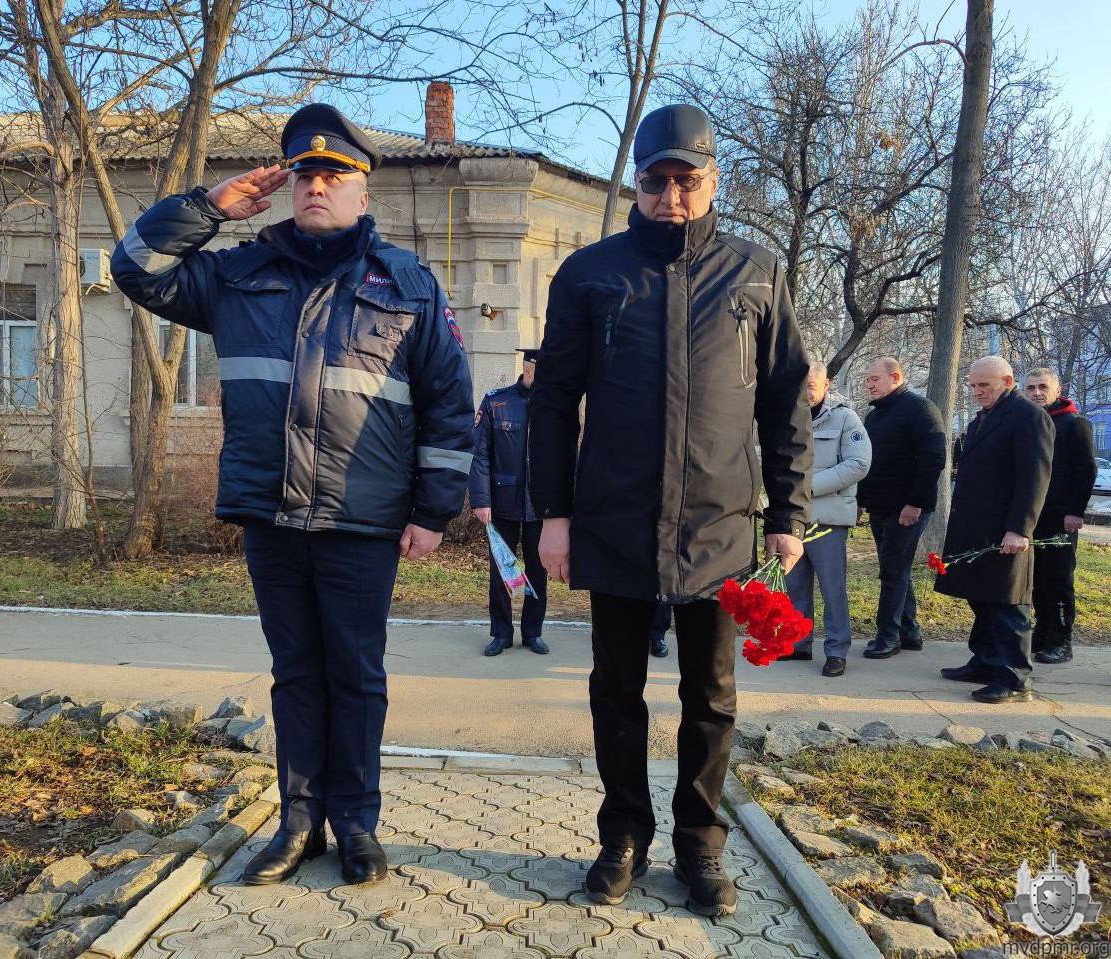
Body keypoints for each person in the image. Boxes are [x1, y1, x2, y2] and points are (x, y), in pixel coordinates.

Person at [111, 103, 474, 887]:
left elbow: (449, 402)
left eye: (334, 174)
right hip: (271, 513)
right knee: (296, 673)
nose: (316, 185)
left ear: (362, 193)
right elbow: (135, 268)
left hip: (362, 518)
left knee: (357, 674)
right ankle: (299, 821)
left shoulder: (407, 283)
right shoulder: (238, 274)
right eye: (305, 172)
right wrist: (210, 207)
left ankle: (357, 823)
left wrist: (432, 510)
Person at [530, 103, 811, 916]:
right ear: (637, 183)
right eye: (655, 180)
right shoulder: (590, 273)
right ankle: (623, 833)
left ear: (713, 181)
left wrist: (788, 514)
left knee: (711, 695)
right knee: (615, 689)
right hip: (616, 517)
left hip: (720, 523)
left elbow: (786, 401)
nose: (670, 196)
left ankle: (700, 843)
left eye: (686, 180)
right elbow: (554, 399)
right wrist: (553, 513)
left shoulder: (756, 273)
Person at [937, 357, 1054, 704]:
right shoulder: (984, 417)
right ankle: (986, 661)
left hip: (1006, 529)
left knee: (1008, 602)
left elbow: (1034, 478)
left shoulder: (1029, 417)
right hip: (977, 526)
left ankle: (1015, 678)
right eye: (973, 385)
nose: (976, 391)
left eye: (983, 385)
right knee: (982, 596)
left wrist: (1020, 528)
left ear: (1006, 380)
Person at [783, 361, 871, 677]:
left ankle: (836, 650)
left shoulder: (845, 419)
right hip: (793, 518)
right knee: (795, 587)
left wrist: (806, 487)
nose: (805, 392)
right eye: (801, 386)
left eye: (810, 386)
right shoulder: (789, 416)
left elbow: (858, 464)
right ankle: (799, 644)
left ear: (826, 385)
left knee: (833, 589)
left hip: (828, 521)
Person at [856, 357, 946, 659]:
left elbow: (933, 459)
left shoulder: (920, 409)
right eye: (867, 380)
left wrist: (915, 503)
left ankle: (888, 636)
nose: (869, 385)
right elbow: (867, 462)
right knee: (896, 568)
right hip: (879, 506)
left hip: (908, 508)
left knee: (893, 571)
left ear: (895, 377)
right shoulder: (875, 416)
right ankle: (909, 632)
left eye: (874, 379)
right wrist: (860, 501)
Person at [470, 349, 549, 656]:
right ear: (528, 369)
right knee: (502, 570)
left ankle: (533, 632)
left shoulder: (552, 405)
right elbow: (479, 454)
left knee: (538, 571)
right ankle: (501, 633)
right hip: (502, 502)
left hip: (539, 506)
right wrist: (481, 500)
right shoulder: (497, 402)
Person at [1023, 368, 1096, 664]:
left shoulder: (1074, 423)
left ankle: (1061, 640)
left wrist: (1075, 511)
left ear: (1057, 390)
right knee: (1036, 579)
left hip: (1060, 517)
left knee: (1058, 579)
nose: (1037, 393)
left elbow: (1085, 470)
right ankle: (1042, 633)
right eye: (1030, 388)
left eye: (1043, 387)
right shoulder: (1028, 422)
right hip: (1032, 517)